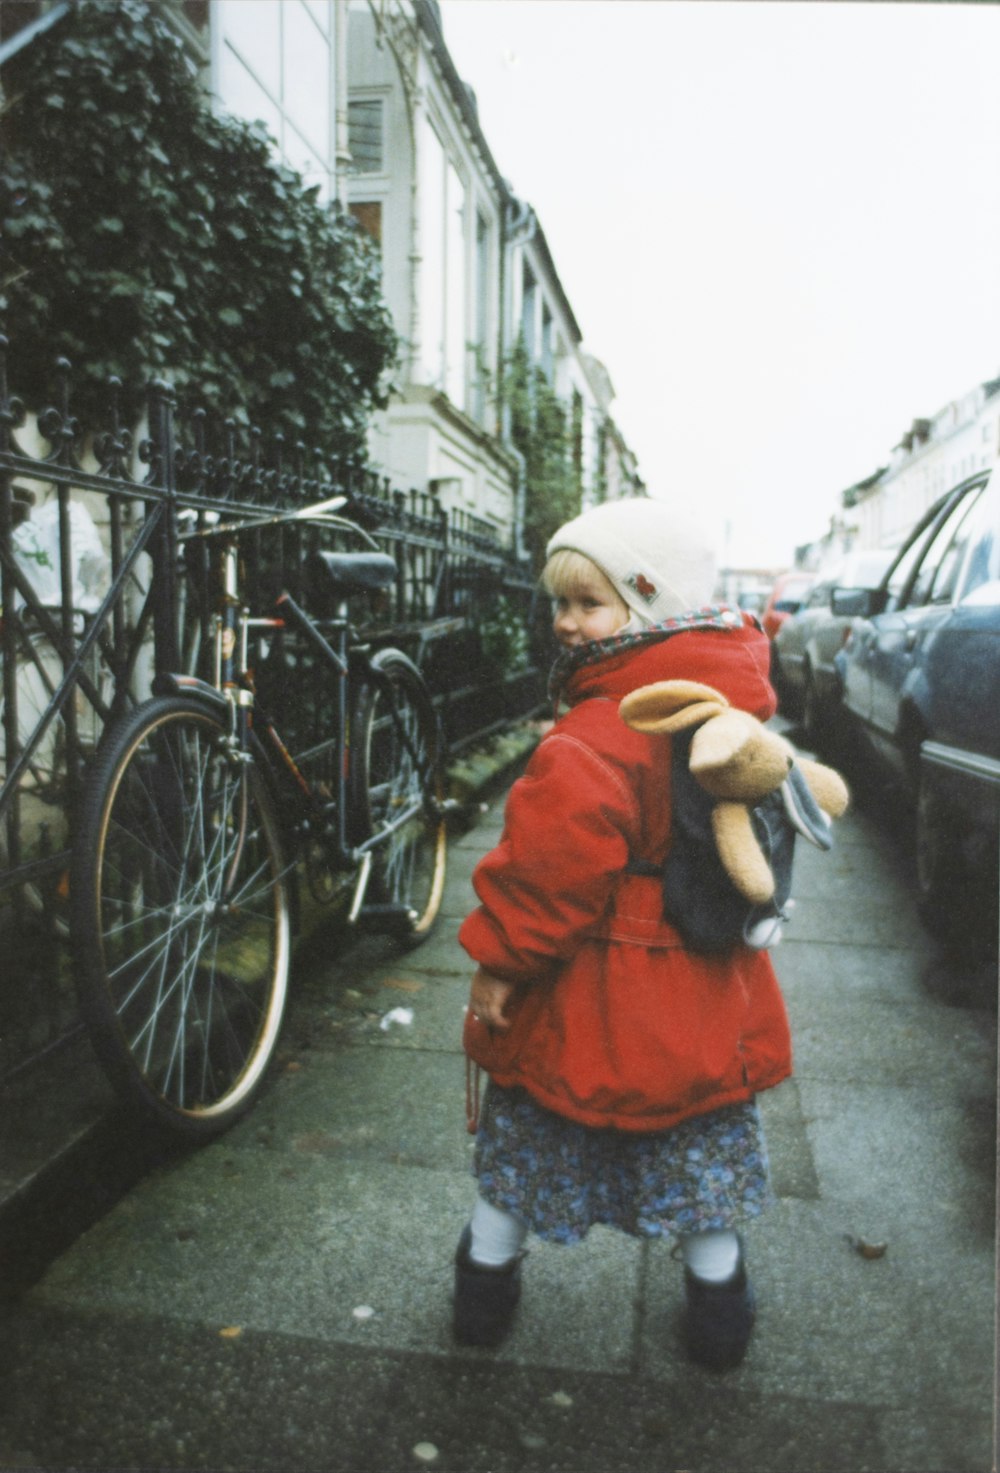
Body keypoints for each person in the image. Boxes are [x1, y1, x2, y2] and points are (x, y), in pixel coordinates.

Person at [453, 497, 791, 1371]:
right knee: (697, 1168)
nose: (566, 623)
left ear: (647, 610)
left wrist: (500, 963)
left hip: (588, 998)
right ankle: (721, 1318)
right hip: (699, 995)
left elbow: (546, 877)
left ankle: (482, 1295)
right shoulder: (730, 708)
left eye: (589, 604)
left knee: (525, 1154)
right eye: (560, 603)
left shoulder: (596, 737)